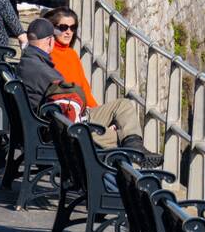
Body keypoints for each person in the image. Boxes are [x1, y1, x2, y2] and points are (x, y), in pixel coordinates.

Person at [17, 18, 161, 166]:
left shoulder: (29, 61)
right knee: (119, 136)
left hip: (56, 120)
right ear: (49, 41)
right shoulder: (42, 70)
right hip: (63, 130)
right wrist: (99, 126)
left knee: (122, 105)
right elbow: (69, 96)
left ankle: (134, 146)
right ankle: (133, 171)